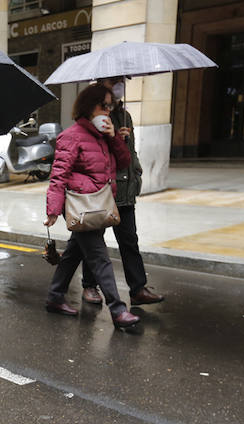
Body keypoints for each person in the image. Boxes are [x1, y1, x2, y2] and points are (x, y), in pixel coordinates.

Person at [43, 83, 140, 330]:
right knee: (99, 257)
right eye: (103, 106)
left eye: (110, 106)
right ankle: (118, 310)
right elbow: (59, 175)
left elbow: (124, 162)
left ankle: (55, 296)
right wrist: (53, 210)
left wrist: (115, 138)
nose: (107, 111)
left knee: (75, 251)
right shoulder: (71, 136)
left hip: (98, 203)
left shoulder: (105, 136)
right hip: (82, 205)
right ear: (88, 107)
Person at [79, 77, 163, 307]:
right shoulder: (94, 115)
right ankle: (89, 285)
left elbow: (129, 153)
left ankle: (137, 288)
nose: (119, 86)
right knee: (94, 240)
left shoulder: (125, 115)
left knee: (129, 240)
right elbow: (93, 153)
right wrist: (114, 136)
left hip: (125, 187)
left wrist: (136, 174)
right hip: (104, 188)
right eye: (114, 82)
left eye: (121, 82)